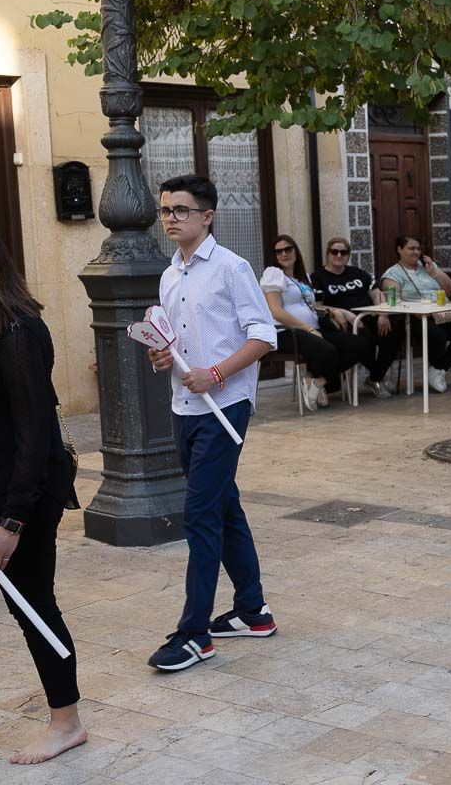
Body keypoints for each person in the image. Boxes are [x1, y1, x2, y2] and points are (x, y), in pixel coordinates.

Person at [0, 215, 86, 764]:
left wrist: (12, 522)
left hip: (21, 494)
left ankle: (67, 722)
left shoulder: (17, 329)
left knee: (31, 604)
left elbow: (34, 432)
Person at [146, 175, 279, 672]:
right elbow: (177, 344)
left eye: (181, 210)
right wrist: (167, 358)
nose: (171, 218)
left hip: (226, 411)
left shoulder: (231, 268)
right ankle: (253, 610)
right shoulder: (170, 275)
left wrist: (217, 372)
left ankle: (194, 634)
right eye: (165, 211)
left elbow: (264, 336)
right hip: (186, 408)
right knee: (223, 507)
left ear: (207, 216)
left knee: (199, 515)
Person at [262, 235, 376, 410]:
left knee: (360, 344)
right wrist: (307, 328)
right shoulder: (274, 274)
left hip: (313, 329)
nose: (284, 254)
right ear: (274, 255)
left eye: (288, 249)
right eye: (279, 251)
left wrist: (335, 311)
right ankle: (316, 383)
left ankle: (316, 381)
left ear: (296, 251)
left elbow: (312, 306)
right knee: (328, 351)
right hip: (287, 332)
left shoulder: (303, 277)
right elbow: (275, 311)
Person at [309, 236, 399, 399]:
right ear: (328, 254)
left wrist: (383, 314)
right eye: (334, 251)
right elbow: (317, 306)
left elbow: (376, 293)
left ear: (348, 255)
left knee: (394, 332)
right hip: (344, 323)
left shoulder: (359, 274)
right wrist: (339, 311)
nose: (338, 255)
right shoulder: (318, 277)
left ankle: (375, 377)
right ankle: (377, 378)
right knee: (365, 340)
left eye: (343, 252)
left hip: (369, 316)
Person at [380, 236, 451, 394]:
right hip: (417, 317)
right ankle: (436, 369)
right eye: (411, 248)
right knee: (437, 335)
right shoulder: (393, 273)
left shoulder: (428, 267)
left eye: (418, 249)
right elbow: (395, 301)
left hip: (443, 313)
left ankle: (437, 369)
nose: (416, 252)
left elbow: (449, 289)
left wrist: (434, 272)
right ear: (399, 250)